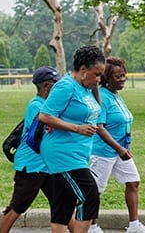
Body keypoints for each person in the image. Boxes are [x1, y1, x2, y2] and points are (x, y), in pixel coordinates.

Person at [0, 66, 76, 233]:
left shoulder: (49, 105)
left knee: (62, 202)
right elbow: (49, 127)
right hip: (31, 165)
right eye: (57, 85)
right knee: (18, 206)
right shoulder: (37, 106)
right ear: (48, 86)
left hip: (48, 165)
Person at [38, 45, 106, 233]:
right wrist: (77, 128)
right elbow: (44, 116)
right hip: (63, 154)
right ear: (83, 70)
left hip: (78, 153)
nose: (99, 79)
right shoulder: (66, 86)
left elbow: (94, 112)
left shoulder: (85, 88)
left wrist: (95, 87)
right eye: (96, 74)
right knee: (90, 195)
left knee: (63, 205)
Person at [89, 57, 145, 233]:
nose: (122, 79)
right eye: (118, 77)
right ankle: (91, 227)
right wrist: (119, 148)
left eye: (124, 75)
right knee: (95, 190)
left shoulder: (116, 96)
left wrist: (122, 148)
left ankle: (134, 226)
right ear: (107, 78)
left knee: (132, 182)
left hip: (120, 151)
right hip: (103, 151)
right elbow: (99, 127)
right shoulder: (101, 97)